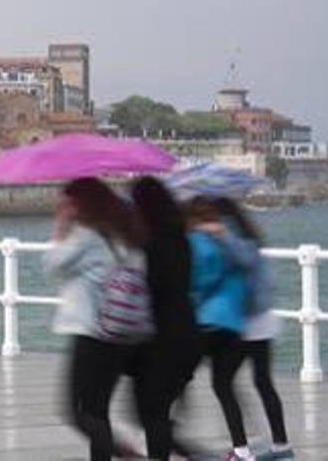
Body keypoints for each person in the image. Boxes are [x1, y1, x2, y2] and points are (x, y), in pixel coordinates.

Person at [45, 177, 146, 461]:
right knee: (97, 410)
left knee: (75, 412)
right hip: (118, 333)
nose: (63, 205)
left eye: (68, 201)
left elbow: (53, 265)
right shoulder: (120, 235)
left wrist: (60, 227)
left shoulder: (87, 237)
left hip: (90, 332)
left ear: (80, 204)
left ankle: (126, 453)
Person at [213, 197, 294, 461]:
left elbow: (243, 260)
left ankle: (241, 450)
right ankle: (281, 447)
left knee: (222, 381)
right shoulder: (246, 232)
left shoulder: (231, 235)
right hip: (262, 319)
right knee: (262, 382)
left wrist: (221, 235)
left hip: (247, 322)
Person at [129, 177, 202, 460]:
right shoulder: (180, 239)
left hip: (161, 339)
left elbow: (151, 288)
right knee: (155, 413)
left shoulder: (151, 244)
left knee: (151, 414)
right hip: (186, 332)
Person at [186, 196, 252, 461]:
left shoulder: (197, 242)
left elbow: (200, 280)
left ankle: (165, 439)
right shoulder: (228, 240)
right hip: (235, 323)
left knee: (175, 379)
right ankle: (242, 450)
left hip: (208, 322)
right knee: (224, 385)